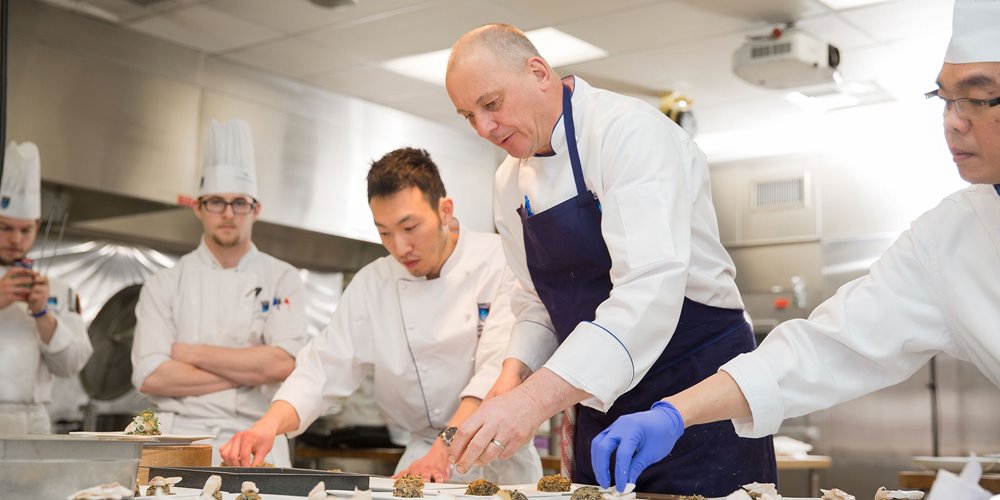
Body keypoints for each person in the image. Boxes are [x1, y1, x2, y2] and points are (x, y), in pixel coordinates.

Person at [590, 0, 1000, 491]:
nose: (953, 122)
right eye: (944, 98)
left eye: (978, 99)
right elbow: (824, 345)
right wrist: (674, 413)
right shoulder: (951, 236)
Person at [444, 24, 775, 496]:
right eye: (467, 116)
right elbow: (535, 302)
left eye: (491, 104)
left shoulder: (627, 133)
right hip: (597, 398)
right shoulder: (507, 183)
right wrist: (511, 379)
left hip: (696, 387)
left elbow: (647, 291)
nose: (483, 128)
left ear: (539, 72)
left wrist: (533, 402)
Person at [220, 148, 543, 484]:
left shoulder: (501, 260)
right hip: (420, 462)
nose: (399, 247)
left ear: (445, 210)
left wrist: (444, 449)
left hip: (502, 461)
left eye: (410, 227)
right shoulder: (373, 283)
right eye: (385, 232)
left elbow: (498, 371)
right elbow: (323, 367)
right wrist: (267, 426)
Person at [131, 120, 308, 466]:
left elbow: (282, 364)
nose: (228, 214)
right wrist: (249, 369)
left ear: (255, 210)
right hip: (179, 441)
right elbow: (151, 375)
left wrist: (189, 353)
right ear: (198, 207)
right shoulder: (164, 284)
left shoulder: (282, 277)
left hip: (258, 437)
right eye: (216, 202)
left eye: (239, 203)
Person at [0, 140, 92, 434]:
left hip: (33, 424)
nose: (16, 239)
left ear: (37, 227)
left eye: (25, 230)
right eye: (5, 228)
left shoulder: (58, 289)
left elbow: (72, 365)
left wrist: (43, 317)